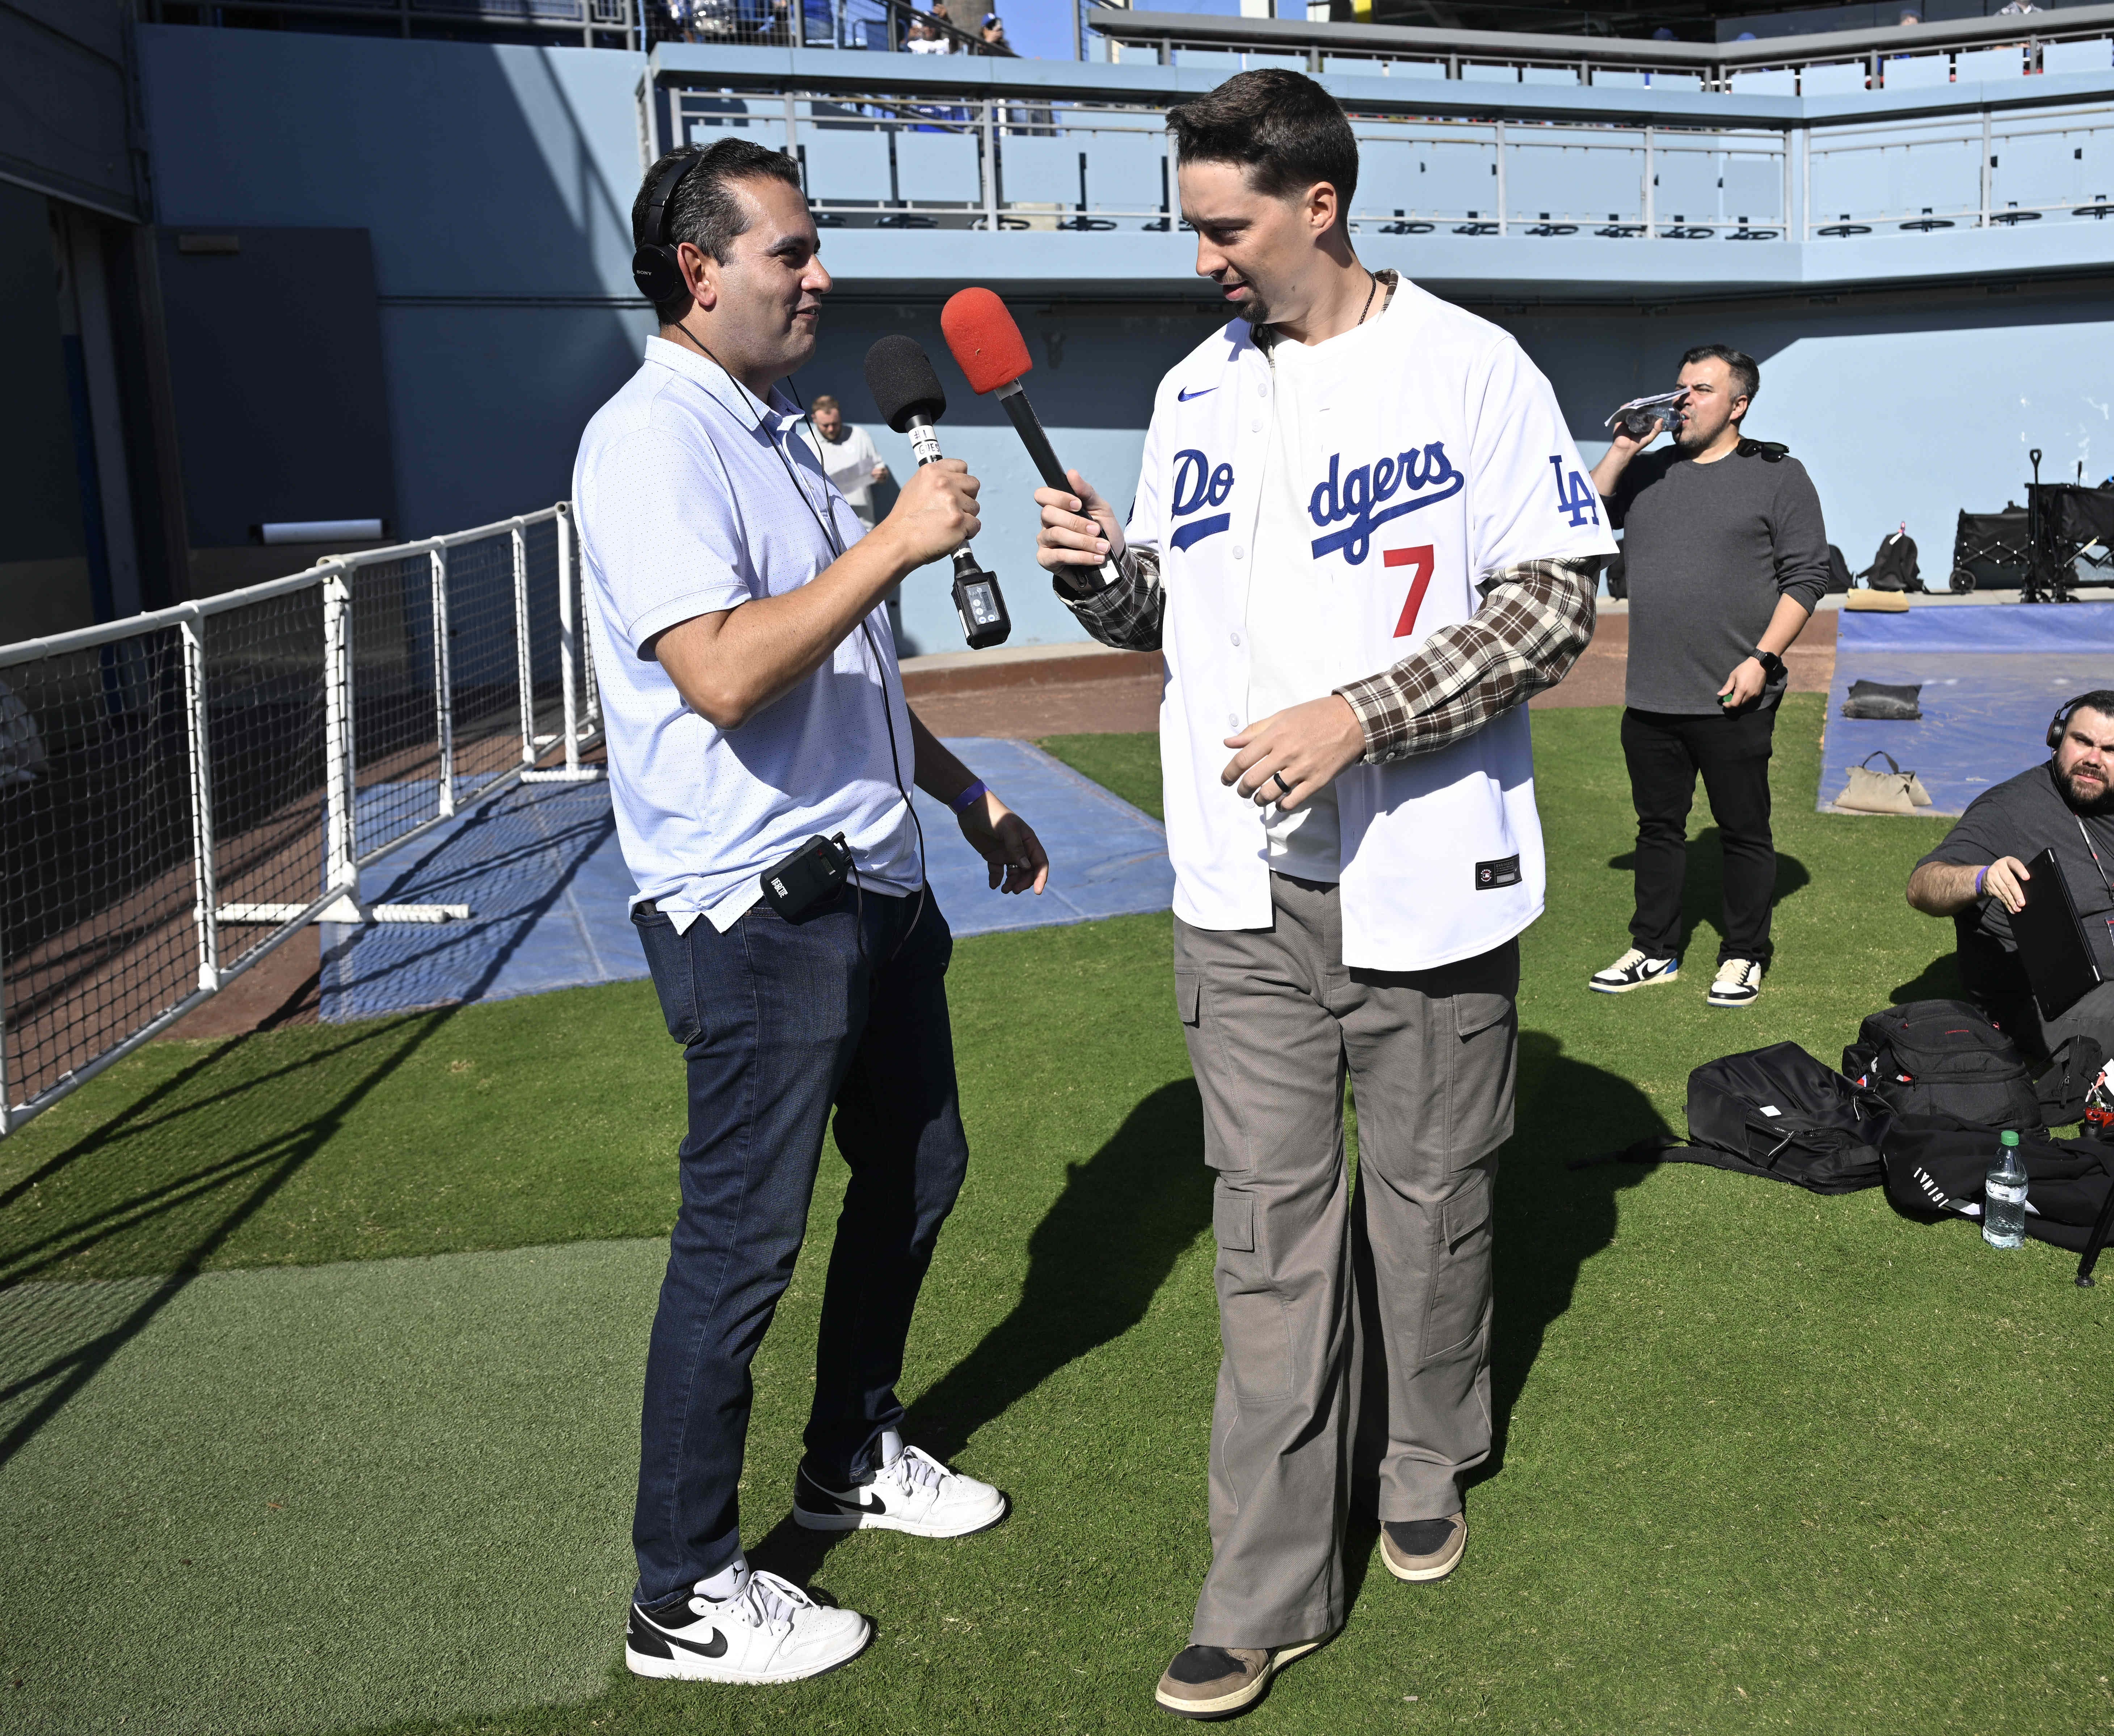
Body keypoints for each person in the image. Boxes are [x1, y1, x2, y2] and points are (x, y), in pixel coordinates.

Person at [1031, 68, 1613, 1721]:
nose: (1201, 254)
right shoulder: (1191, 392)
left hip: (1429, 883)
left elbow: (1553, 606)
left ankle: (1425, 1448)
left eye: (1223, 226)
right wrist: (1105, 575)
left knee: (1431, 1209)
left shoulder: (1472, 367)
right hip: (1237, 895)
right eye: (1191, 224)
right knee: (1270, 1241)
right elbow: (1171, 608)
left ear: (1317, 207)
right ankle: (1262, 1585)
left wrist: (1359, 715)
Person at [575, 136, 1050, 1688]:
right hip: (754, 913)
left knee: (923, 1171)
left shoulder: (774, 435)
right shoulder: (650, 441)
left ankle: (849, 1457)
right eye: (792, 249)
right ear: (700, 270)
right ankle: (682, 1593)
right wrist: (896, 543)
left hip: (872, 886)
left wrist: (965, 792)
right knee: (741, 1244)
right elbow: (719, 669)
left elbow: (840, 662)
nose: (821, 275)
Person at [1585, 346, 1829, 1010]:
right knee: (1657, 829)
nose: (1683, 399)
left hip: (1734, 692)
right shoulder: (1648, 475)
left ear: (1738, 404)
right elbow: (1574, 519)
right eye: (1679, 386)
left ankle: (1745, 954)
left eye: (1701, 388)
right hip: (1652, 695)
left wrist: (1763, 661)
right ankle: (1654, 950)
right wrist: (1621, 452)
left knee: (1744, 831)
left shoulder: (1780, 477)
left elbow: (1807, 578)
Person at [1907, 692, 2114, 1060]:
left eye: (2110, 750)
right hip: (2044, 1008)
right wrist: (1981, 879)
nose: (2093, 759)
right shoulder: (2007, 809)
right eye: (2082, 742)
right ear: (2056, 737)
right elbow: (1921, 886)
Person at [797, 393, 890, 529]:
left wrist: (881, 475)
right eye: (826, 425)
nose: (831, 429)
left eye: (835, 424)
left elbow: (881, 472)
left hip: (864, 525)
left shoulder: (859, 435)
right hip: (828, 527)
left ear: (840, 416)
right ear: (814, 419)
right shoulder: (804, 444)